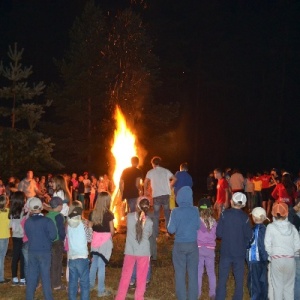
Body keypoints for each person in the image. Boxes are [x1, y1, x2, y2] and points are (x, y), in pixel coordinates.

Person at [215, 192, 252, 300]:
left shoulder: (224, 214)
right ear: (244, 204)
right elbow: (249, 236)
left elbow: (219, 234)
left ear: (231, 202)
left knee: (222, 278)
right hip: (240, 253)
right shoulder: (245, 217)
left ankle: (220, 297)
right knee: (239, 279)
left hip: (226, 251)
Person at [115, 197, 153, 300]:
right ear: (148, 207)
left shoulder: (129, 217)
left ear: (137, 205)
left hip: (130, 251)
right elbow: (149, 234)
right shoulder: (149, 222)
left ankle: (120, 297)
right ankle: (139, 298)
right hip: (143, 252)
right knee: (141, 278)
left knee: (125, 276)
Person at [167, 186, 200, 300]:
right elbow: (198, 226)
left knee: (180, 274)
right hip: (192, 245)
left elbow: (171, 230)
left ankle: (182, 297)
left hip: (179, 245)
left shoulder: (175, 211)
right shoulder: (195, 210)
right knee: (193, 273)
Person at [265, 202, 300, 300]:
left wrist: (272, 254)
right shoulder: (292, 228)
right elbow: (297, 246)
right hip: (290, 260)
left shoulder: (270, 227)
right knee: (289, 287)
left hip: (276, 260)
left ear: (272, 213)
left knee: (277, 287)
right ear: (287, 213)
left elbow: (267, 245)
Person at [24, 197, 57, 300]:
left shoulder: (28, 222)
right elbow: (53, 236)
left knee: (32, 277)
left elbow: (28, 235)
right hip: (45, 252)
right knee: (45, 277)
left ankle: (29, 297)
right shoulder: (47, 221)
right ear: (42, 207)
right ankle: (48, 297)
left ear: (30, 208)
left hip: (32, 251)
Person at [144, 156, 176, 238]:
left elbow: (146, 182)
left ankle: (155, 236)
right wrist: (170, 186)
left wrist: (146, 191)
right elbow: (175, 179)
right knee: (167, 214)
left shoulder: (150, 172)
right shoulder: (166, 171)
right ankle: (169, 233)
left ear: (153, 163)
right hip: (165, 195)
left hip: (157, 196)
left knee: (156, 216)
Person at [89, 191, 114, 297]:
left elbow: (90, 227)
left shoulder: (92, 213)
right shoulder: (109, 214)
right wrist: (110, 236)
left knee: (94, 263)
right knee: (101, 265)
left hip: (95, 240)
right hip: (105, 241)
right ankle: (101, 290)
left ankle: (90, 285)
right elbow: (112, 230)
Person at [67, 204, 92, 300]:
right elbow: (89, 239)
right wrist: (90, 228)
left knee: (72, 283)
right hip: (82, 257)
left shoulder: (68, 225)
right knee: (84, 283)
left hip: (72, 258)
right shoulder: (84, 224)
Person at [246, 207, 268, 300]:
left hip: (255, 260)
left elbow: (252, 244)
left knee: (254, 282)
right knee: (263, 280)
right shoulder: (266, 229)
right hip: (264, 260)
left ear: (253, 218)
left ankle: (255, 297)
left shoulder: (254, 231)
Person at [197, 198, 217, 300]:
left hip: (199, 249)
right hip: (210, 250)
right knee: (211, 272)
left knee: (198, 272)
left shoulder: (197, 222)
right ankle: (212, 293)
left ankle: (198, 293)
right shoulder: (214, 222)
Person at [46, 196, 66, 290]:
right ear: (58, 206)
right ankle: (56, 284)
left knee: (50, 263)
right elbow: (61, 230)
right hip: (57, 242)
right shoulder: (59, 216)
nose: (62, 206)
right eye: (61, 204)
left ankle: (49, 281)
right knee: (57, 264)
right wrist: (63, 239)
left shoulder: (47, 215)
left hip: (48, 242)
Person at [9, 191, 26, 286]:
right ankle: (23, 278)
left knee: (15, 257)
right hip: (22, 236)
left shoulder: (12, 211)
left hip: (15, 236)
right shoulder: (23, 212)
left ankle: (14, 277)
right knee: (22, 257)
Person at [0, 195, 10, 284]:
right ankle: (1, 278)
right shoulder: (8, 212)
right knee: (1, 258)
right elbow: (10, 224)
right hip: (4, 237)